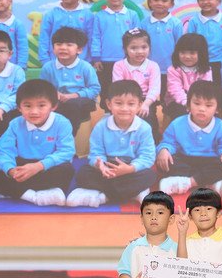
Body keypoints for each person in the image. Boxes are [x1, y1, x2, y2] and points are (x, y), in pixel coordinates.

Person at [0, 79, 74, 207]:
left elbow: (66, 152)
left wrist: (38, 166)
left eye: (41, 105)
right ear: (19, 108)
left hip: (46, 166)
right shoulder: (15, 124)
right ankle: (31, 196)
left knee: (67, 170)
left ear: (53, 106)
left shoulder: (62, 123)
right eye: (28, 106)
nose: (34, 111)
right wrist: (11, 170)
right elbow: (4, 150)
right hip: (21, 166)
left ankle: (6, 191)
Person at [65, 79, 157, 207]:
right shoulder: (101, 127)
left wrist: (130, 168)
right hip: (107, 169)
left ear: (139, 105)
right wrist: (100, 166)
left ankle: (105, 196)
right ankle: (132, 192)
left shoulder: (144, 128)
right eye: (118, 103)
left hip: (131, 170)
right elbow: (96, 153)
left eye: (131, 104)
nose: (124, 108)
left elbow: (147, 157)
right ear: (109, 104)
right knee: (83, 173)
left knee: (150, 175)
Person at [156, 80, 222, 195]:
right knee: (163, 161)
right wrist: (164, 150)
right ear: (188, 105)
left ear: (217, 109)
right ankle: (209, 181)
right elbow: (168, 142)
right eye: (197, 103)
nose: (202, 109)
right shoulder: (177, 123)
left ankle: (188, 182)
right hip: (185, 159)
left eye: (208, 105)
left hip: (210, 160)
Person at [38, 26, 100, 139]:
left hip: (81, 100)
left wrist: (73, 95)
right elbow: (42, 87)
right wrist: (54, 93)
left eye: (69, 44)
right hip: (57, 99)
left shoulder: (85, 67)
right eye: (58, 44)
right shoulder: (48, 67)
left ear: (79, 49)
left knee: (72, 105)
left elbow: (94, 89)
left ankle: (68, 139)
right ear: (53, 48)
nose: (63, 48)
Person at [91, 0, 140, 101]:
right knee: (106, 87)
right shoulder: (99, 16)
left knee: (126, 88)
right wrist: (96, 58)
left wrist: (135, 56)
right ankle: (107, 109)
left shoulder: (132, 15)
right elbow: (95, 37)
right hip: (105, 60)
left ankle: (127, 108)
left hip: (127, 59)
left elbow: (138, 38)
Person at [111, 28, 161, 136]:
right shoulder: (119, 65)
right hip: (125, 98)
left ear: (149, 48)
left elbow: (155, 88)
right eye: (133, 48)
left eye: (144, 47)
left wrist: (145, 104)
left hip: (146, 100)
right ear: (125, 49)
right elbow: (118, 87)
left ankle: (152, 142)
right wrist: (129, 103)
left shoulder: (153, 66)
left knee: (148, 117)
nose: (139, 51)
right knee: (121, 117)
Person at [38, 0, 93, 66]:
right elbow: (44, 38)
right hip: (55, 62)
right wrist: (45, 59)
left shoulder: (88, 15)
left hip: (82, 62)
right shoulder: (51, 15)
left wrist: (92, 59)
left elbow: (91, 37)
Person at [184, 0, 222, 87]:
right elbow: (190, 42)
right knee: (202, 87)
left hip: (221, 61)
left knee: (219, 87)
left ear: (219, 1)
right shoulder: (194, 21)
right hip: (200, 61)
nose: (205, 2)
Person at [141, 0, 182, 100]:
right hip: (147, 68)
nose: (159, 3)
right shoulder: (144, 23)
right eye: (156, 0)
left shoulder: (176, 23)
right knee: (148, 96)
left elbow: (179, 46)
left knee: (168, 98)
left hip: (169, 69)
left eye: (164, 0)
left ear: (171, 4)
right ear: (149, 2)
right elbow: (140, 45)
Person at [163, 32, 214, 124]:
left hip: (200, 100)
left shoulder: (206, 70)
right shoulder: (173, 70)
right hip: (177, 101)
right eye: (182, 52)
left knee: (210, 114)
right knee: (181, 114)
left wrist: (196, 104)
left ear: (201, 54)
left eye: (192, 53)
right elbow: (175, 90)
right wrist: (187, 103)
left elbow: (205, 89)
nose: (187, 56)